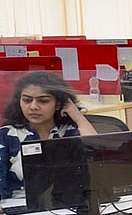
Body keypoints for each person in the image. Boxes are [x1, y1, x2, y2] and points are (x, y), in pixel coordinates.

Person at [0, 71, 97, 201]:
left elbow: (98, 158)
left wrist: (77, 116)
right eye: (27, 100)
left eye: (43, 101)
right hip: (18, 210)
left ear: (58, 104)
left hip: (67, 206)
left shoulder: (68, 132)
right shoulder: (7, 136)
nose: (33, 107)